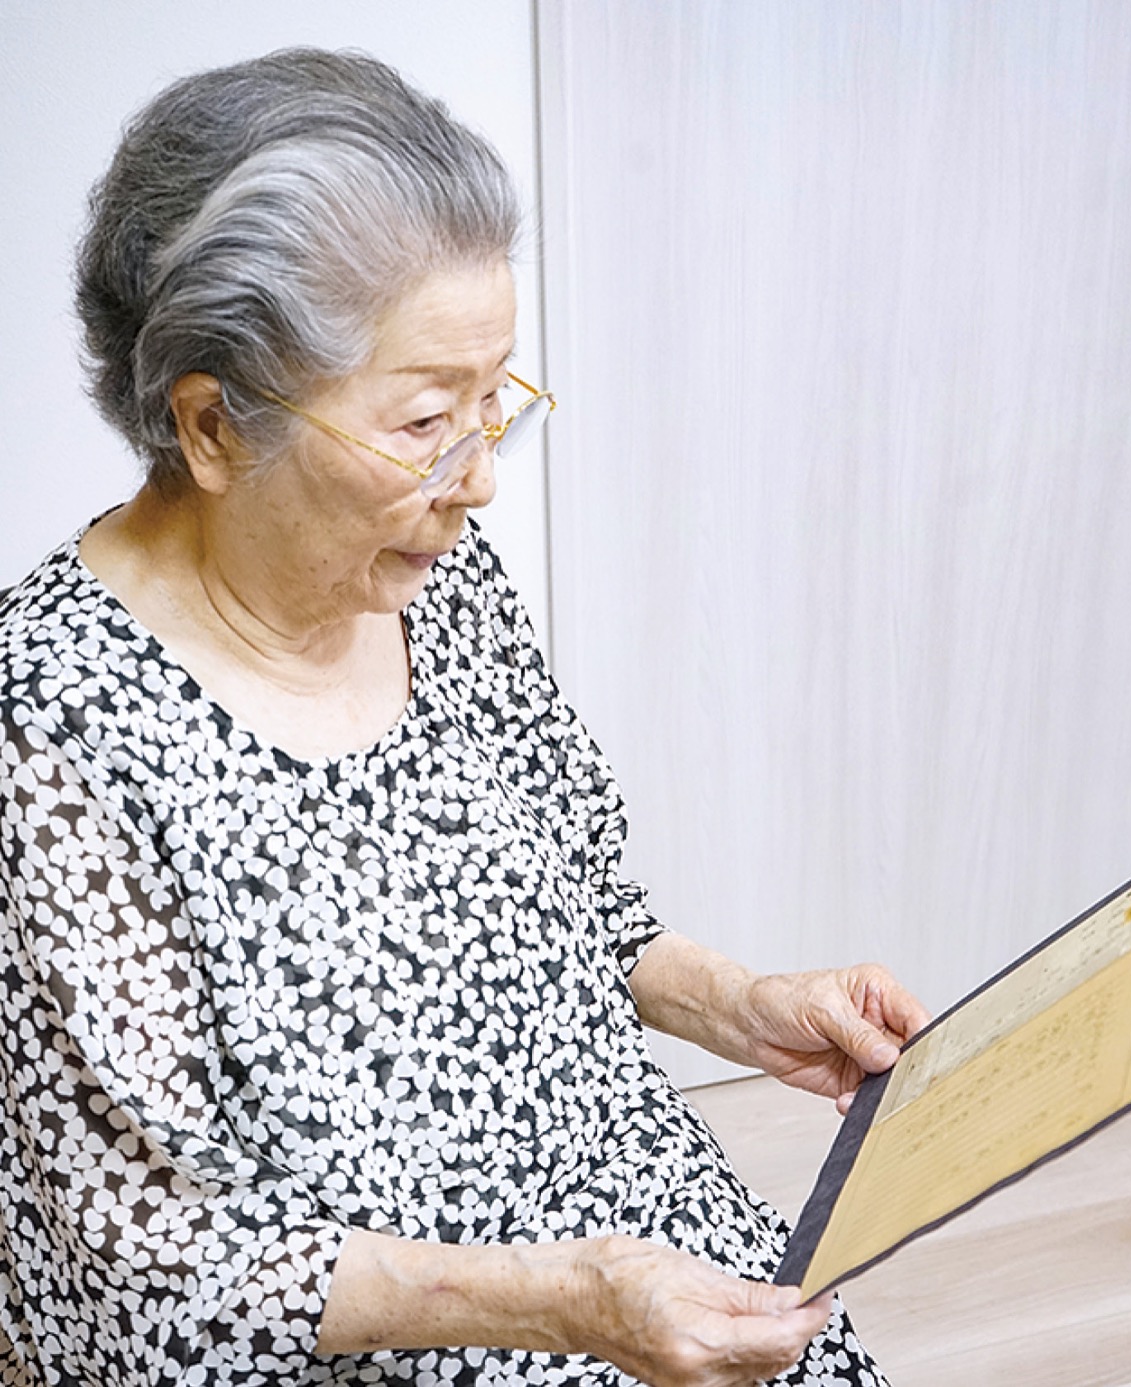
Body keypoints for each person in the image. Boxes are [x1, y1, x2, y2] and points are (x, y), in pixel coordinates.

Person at [0, 48, 929, 1387]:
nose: (479, 478)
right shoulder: (49, 735)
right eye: (429, 417)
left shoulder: (421, 566)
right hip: (359, 1327)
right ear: (212, 428)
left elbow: (573, 902)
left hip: (614, 1236)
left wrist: (744, 1006)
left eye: (495, 402)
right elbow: (162, 1272)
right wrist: (559, 1305)